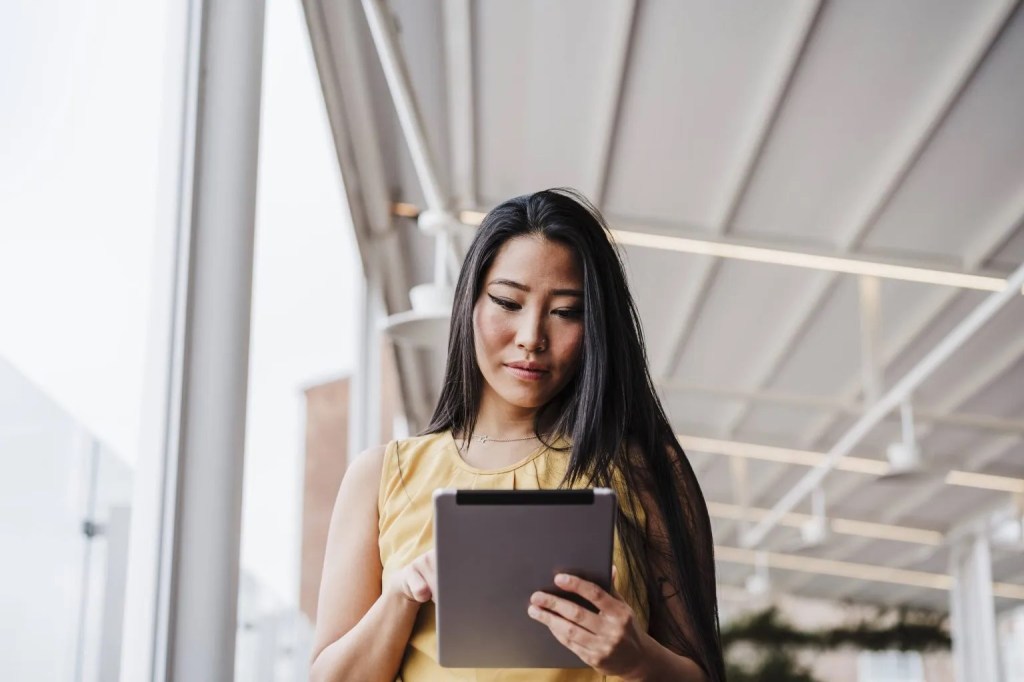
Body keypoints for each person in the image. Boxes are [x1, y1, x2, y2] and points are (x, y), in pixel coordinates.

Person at [310, 189, 725, 682]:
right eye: (508, 301)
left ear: (596, 327)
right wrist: (401, 595)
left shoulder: (644, 469)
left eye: (566, 311)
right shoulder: (383, 475)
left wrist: (635, 657)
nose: (532, 336)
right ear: (469, 303)